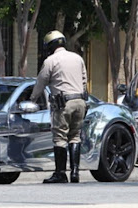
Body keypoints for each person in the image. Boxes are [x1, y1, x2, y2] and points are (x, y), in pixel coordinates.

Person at [30, 30, 88, 183]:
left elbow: (41, 82)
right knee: (75, 136)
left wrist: (33, 99)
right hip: (80, 102)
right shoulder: (78, 58)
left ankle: (60, 173)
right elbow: (84, 81)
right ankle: (75, 173)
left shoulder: (51, 61)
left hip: (63, 104)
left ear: (50, 45)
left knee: (60, 137)